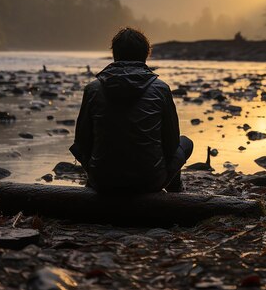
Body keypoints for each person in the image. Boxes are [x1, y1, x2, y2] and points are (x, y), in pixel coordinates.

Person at [69, 27, 193, 193]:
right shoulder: (161, 88)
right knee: (185, 143)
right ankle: (176, 193)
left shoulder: (93, 88)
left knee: (79, 148)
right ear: (145, 55)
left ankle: (93, 184)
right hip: (149, 182)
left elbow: (82, 142)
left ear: (115, 55)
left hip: (102, 181)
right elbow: (171, 144)